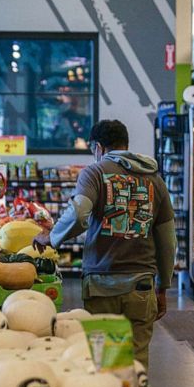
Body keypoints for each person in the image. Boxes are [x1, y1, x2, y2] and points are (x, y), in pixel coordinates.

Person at [34, 119, 176, 367]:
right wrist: (163, 285)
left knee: (103, 359)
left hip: (101, 283)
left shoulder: (95, 173)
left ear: (98, 147)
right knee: (137, 360)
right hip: (141, 284)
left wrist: (52, 236)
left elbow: (79, 215)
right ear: (126, 144)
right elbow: (167, 240)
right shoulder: (154, 179)